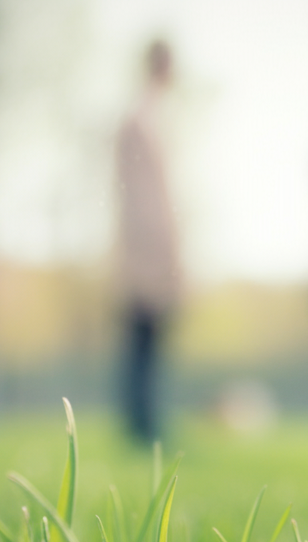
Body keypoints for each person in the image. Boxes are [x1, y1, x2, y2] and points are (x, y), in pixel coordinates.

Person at [115, 40, 182, 444]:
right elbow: (140, 193)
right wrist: (158, 249)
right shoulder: (139, 119)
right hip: (146, 246)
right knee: (142, 336)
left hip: (151, 242)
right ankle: (142, 426)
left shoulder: (152, 116)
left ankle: (147, 422)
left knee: (150, 338)